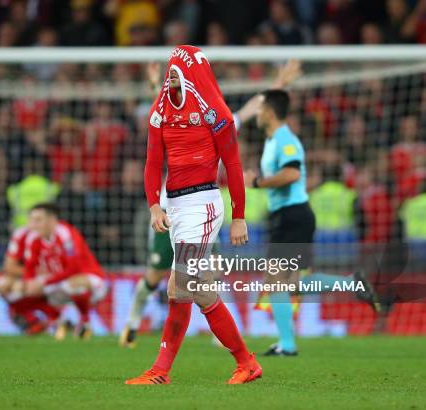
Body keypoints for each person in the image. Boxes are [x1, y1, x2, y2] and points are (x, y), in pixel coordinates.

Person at [119, 60, 303, 349]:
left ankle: (221, 345)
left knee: (205, 273)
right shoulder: (171, 115)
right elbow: (167, 106)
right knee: (157, 275)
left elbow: (252, 107)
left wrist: (280, 85)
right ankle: (131, 324)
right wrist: (156, 85)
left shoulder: (216, 120)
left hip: (202, 208)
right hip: (170, 210)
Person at [125, 45, 261, 386]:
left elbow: (232, 163)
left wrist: (239, 215)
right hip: (175, 206)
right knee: (197, 291)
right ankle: (246, 362)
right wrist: (154, 204)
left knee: (178, 286)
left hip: (204, 205)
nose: (172, 76)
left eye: (177, 71)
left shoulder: (215, 113)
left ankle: (160, 370)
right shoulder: (160, 107)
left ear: (191, 76)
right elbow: (153, 161)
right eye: (170, 70)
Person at [244, 90, 379, 356]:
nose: (257, 115)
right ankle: (353, 284)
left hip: (292, 215)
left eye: (260, 110)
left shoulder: (285, 139)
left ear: (269, 112)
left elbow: (293, 173)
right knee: (291, 284)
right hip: (288, 216)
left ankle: (288, 345)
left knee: (275, 282)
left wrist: (258, 182)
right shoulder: (274, 140)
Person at [22, 203, 107, 340]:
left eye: (38, 220)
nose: (33, 225)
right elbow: (29, 266)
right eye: (32, 220)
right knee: (17, 288)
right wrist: (29, 283)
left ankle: (85, 322)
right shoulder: (33, 238)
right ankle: (58, 320)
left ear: (51, 220)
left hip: (91, 282)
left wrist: (44, 282)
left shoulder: (66, 234)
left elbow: (74, 269)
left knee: (74, 284)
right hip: (59, 283)